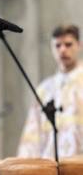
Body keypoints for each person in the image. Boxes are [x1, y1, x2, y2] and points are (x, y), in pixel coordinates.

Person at [17, 23, 83, 159]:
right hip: (50, 165)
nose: (62, 50)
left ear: (79, 45)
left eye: (68, 44)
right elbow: (33, 134)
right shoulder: (44, 89)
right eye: (57, 45)